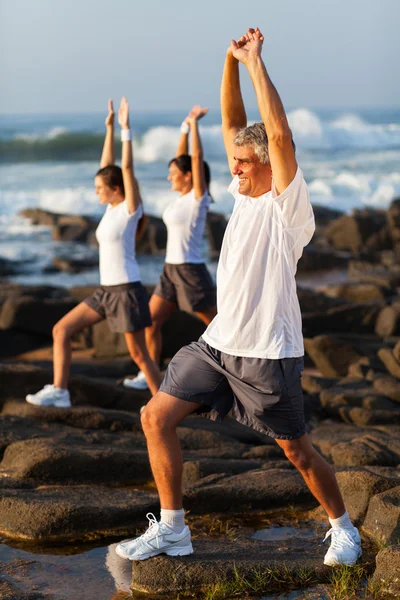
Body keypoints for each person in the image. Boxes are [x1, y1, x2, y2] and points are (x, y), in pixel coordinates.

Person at [115, 29, 362, 567]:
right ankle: (174, 529)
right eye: (234, 163)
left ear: (271, 163)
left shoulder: (287, 207)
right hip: (217, 344)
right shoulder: (244, 194)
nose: (235, 169)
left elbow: (279, 134)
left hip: (267, 353)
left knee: (297, 452)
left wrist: (255, 62)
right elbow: (234, 124)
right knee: (154, 417)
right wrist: (228, 61)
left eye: (245, 163)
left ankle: (343, 527)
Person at [26, 98, 162, 407]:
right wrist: (109, 127)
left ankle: (162, 405)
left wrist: (126, 130)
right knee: (61, 330)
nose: (96, 192)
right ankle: (60, 392)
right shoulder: (112, 207)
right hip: (105, 292)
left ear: (116, 189)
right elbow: (108, 167)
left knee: (140, 355)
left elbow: (124, 168)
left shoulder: (130, 209)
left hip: (126, 291)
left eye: (100, 188)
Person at [123, 105, 217, 391]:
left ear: (189, 176)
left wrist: (197, 127)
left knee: (218, 326)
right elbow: (183, 158)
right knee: (150, 323)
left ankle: (235, 371)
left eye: (174, 173)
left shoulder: (198, 199)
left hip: (190, 270)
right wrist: (184, 127)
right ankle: (151, 373)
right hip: (170, 270)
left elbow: (195, 157)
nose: (169, 177)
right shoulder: (179, 197)